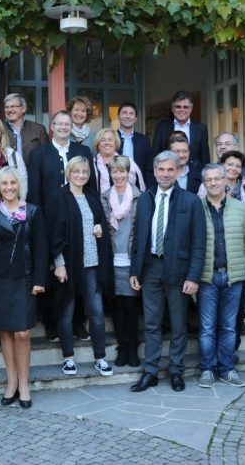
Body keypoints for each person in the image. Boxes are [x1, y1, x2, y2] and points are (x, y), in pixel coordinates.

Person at [129, 151, 206, 393]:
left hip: (179, 270)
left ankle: (176, 371)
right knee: (152, 323)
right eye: (161, 169)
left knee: (178, 324)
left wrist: (193, 276)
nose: (165, 174)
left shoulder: (191, 201)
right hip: (150, 267)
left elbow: (199, 242)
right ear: (154, 171)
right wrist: (135, 270)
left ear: (178, 171)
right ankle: (150, 372)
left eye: (170, 169)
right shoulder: (145, 198)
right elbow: (138, 237)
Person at [0, 166, 48, 408]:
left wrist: (40, 280)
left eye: (13, 183)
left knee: (23, 332)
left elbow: (41, 248)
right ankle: (11, 383)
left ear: (19, 185)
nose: (9, 187)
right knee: (6, 332)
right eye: (4, 183)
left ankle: (24, 385)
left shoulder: (33, 211)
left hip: (25, 277)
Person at [27, 111, 94, 342]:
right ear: (52, 126)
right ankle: (51, 323)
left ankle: (77, 323)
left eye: (68, 124)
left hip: (79, 220)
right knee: (52, 271)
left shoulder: (83, 151)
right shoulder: (38, 154)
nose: (64, 127)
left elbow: (91, 188)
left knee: (78, 269)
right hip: (49, 221)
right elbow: (34, 192)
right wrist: (38, 223)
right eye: (60, 124)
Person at [45, 156, 114, 377]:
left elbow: (100, 222)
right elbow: (53, 233)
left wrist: (100, 229)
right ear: (69, 173)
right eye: (76, 171)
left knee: (96, 312)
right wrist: (59, 263)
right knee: (66, 312)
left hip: (92, 263)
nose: (80, 175)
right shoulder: (58, 197)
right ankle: (68, 359)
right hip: (69, 264)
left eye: (84, 171)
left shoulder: (92, 196)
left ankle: (100, 358)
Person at [196, 164, 245, 389]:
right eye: (208, 180)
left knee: (229, 327)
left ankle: (227, 369)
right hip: (206, 277)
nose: (213, 183)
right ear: (204, 183)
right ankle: (207, 369)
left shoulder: (241, 208)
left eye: (217, 179)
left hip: (233, 277)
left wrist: (235, 264)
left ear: (224, 181)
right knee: (207, 327)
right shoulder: (196, 208)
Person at [100, 155, 141, 367]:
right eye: (114, 172)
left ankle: (133, 347)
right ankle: (122, 347)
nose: (118, 176)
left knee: (131, 307)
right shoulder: (105, 198)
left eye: (122, 171)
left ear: (128, 173)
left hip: (131, 261)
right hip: (112, 262)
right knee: (116, 307)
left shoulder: (139, 197)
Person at [152, 90, 210, 167]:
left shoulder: (201, 129)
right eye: (178, 107)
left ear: (191, 109)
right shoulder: (161, 127)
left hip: (194, 173)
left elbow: (205, 158)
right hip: (168, 172)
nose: (181, 110)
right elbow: (155, 155)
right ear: (172, 109)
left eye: (185, 107)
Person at [91, 128, 146, 194]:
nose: (107, 143)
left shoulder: (127, 161)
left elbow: (140, 185)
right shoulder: (91, 163)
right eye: (103, 140)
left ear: (115, 143)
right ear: (97, 143)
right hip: (97, 200)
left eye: (110, 140)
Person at [2, 93, 49, 165]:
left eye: (13, 106)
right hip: (7, 172)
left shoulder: (39, 129)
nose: (9, 110)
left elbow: (46, 156)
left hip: (33, 172)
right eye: (6, 107)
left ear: (24, 108)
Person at [115, 102, 154, 187]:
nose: (128, 116)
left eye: (131, 113)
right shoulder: (111, 138)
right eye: (124, 112)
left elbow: (149, 168)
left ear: (135, 118)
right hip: (114, 185)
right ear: (118, 116)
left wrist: (147, 190)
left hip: (139, 187)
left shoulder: (144, 140)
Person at [213, 131, 245, 196]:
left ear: (236, 147)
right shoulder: (209, 171)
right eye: (219, 144)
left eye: (227, 144)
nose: (222, 147)